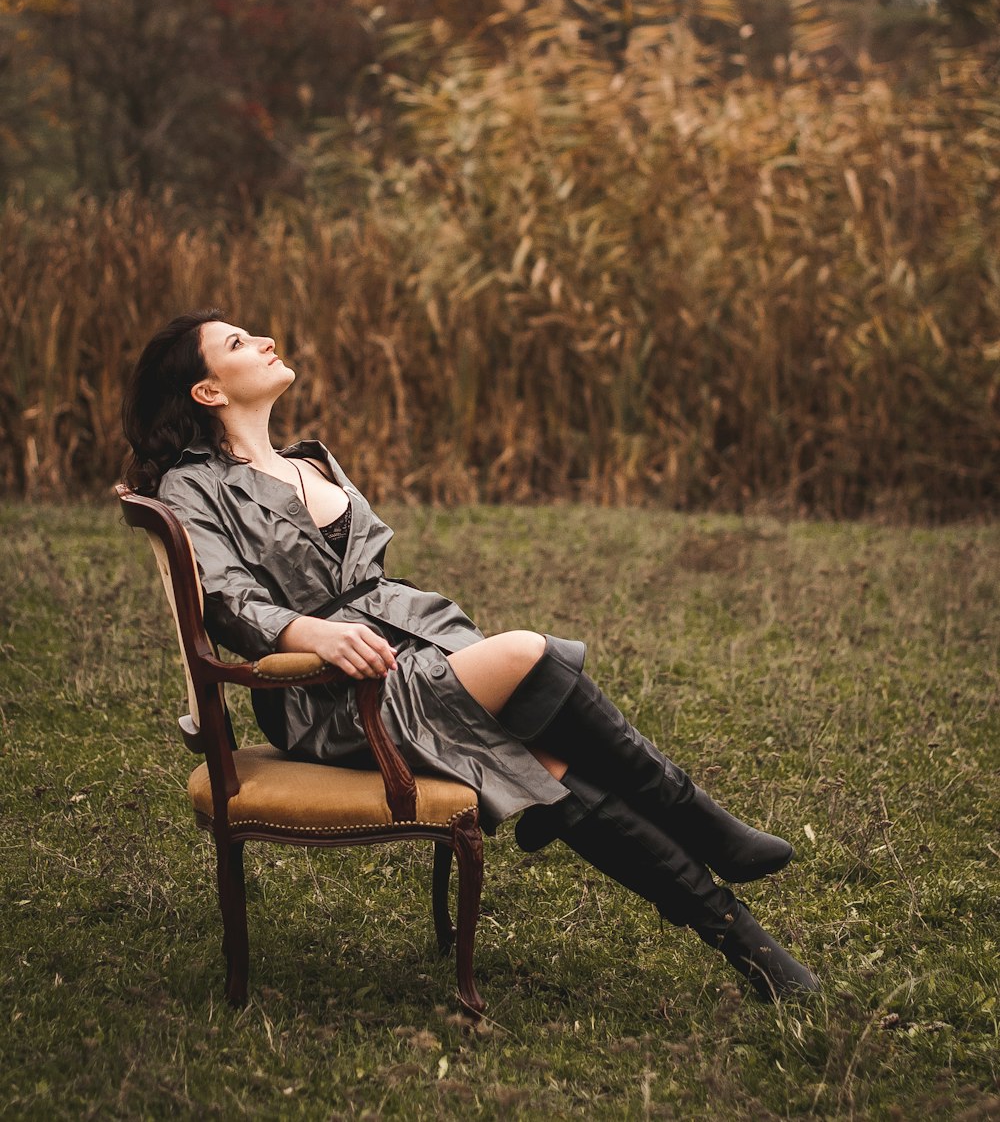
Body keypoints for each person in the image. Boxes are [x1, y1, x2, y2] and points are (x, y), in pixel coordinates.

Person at [122, 308, 820, 1002]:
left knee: (553, 771)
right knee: (527, 653)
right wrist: (310, 632)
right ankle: (704, 822)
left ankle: (744, 942)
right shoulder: (195, 485)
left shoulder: (313, 460)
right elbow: (227, 599)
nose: (266, 340)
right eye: (239, 343)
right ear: (207, 391)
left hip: (414, 647)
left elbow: (366, 576)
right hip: (328, 693)